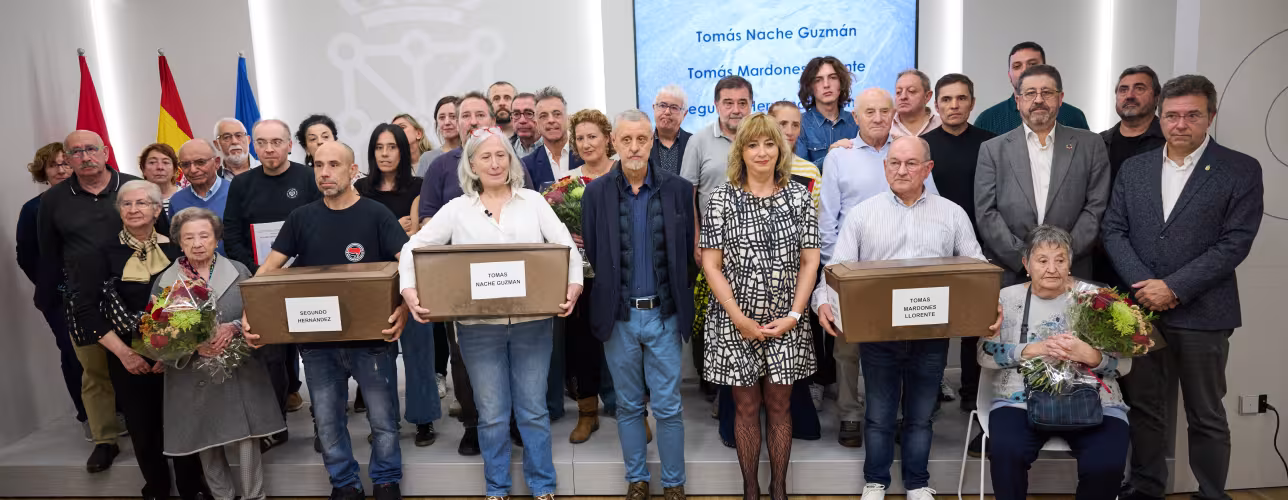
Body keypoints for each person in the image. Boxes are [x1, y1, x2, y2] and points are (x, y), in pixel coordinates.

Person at [399, 127, 582, 500]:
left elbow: (566, 248)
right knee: (493, 413)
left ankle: (542, 486)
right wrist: (409, 290)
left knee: (533, 410)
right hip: (477, 329)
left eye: (501, 155)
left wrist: (573, 285)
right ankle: (496, 488)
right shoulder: (457, 210)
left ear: (511, 161)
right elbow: (413, 248)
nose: (495, 163)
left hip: (533, 325)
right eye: (486, 157)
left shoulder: (533, 202)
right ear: (471, 164)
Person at [1104, 75, 1264, 500]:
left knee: (1205, 412)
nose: (1180, 124)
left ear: (1211, 116)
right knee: (1145, 407)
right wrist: (1145, 287)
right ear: (1160, 116)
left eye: (1192, 115)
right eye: (1172, 115)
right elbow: (1114, 230)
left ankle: (1211, 493)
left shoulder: (1240, 169)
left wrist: (1173, 287)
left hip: (1204, 311)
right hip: (1140, 310)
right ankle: (1145, 487)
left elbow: (1235, 242)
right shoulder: (1135, 168)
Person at [814, 136, 990, 500]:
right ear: (885, 167)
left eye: (911, 163)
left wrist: (991, 302)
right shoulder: (863, 214)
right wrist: (823, 302)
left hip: (931, 335)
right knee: (879, 415)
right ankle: (875, 482)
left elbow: (976, 268)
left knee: (921, 416)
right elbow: (836, 269)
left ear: (928, 168)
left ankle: (917, 484)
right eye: (894, 163)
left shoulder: (952, 213)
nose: (901, 170)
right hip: (878, 334)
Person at [247, 140, 410, 500]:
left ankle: (386, 481)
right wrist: (250, 309)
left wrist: (404, 308)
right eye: (318, 165)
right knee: (328, 421)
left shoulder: (377, 214)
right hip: (317, 343)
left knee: (383, 420)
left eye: (334, 165)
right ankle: (345, 484)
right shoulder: (301, 217)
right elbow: (269, 268)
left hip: (372, 340)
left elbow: (408, 265)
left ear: (353, 171)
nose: (324, 172)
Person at [701, 112, 819, 500]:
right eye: (753, 144)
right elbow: (711, 264)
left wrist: (795, 315)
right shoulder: (722, 198)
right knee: (746, 407)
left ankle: (778, 488)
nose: (762, 152)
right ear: (741, 151)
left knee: (781, 405)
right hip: (734, 322)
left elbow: (810, 260)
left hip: (788, 320)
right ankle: (750, 490)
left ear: (780, 150)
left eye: (770, 143)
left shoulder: (799, 196)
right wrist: (738, 318)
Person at [68, 180, 210, 500]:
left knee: (185, 422)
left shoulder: (177, 249)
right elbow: (86, 309)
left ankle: (192, 487)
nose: (134, 209)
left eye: (142, 203)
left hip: (177, 355)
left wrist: (172, 353)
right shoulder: (99, 252)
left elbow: (195, 301)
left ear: (157, 210)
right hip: (126, 354)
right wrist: (125, 354)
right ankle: (157, 488)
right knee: (143, 428)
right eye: (127, 204)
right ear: (119, 210)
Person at [581, 109, 693, 500]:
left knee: (669, 406)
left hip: (664, 315)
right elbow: (595, 252)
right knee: (628, 405)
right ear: (614, 142)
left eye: (641, 139)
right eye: (626, 139)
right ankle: (637, 479)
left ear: (652, 142)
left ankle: (674, 483)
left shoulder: (680, 190)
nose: (633, 147)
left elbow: (686, 256)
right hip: (620, 317)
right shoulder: (595, 194)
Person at [819, 88, 938, 448]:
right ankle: (850, 414)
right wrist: (836, 273)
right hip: (852, 269)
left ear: (893, 114)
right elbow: (827, 220)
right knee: (847, 348)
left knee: (899, 346)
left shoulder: (907, 152)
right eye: (868, 111)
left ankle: (895, 415)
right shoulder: (839, 156)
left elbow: (932, 203)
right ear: (855, 117)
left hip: (901, 269)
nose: (877, 117)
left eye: (884, 111)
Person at [979, 224, 1132, 500]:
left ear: (1069, 263)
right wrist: (1034, 349)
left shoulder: (1099, 299)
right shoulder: (1005, 299)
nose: (1052, 269)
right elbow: (984, 354)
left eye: (1060, 260)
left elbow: (1124, 365)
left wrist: (1091, 356)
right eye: (1042, 260)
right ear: (1026, 264)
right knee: (1007, 453)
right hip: (1020, 400)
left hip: (1094, 400)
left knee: (1106, 463)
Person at [164, 207, 285, 500]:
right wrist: (194, 344)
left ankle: (255, 496)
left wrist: (234, 327)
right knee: (206, 440)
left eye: (204, 236)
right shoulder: (167, 280)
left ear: (217, 239)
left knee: (247, 437)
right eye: (188, 237)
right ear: (179, 242)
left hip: (239, 366)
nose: (197, 243)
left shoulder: (238, 270)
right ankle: (222, 497)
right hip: (193, 373)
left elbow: (259, 311)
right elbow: (158, 333)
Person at [36, 130, 134, 472]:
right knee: (94, 373)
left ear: (105, 151)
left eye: (91, 149)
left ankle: (154, 432)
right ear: (68, 158)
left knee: (144, 366)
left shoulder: (132, 186)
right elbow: (49, 253)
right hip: (84, 299)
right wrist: (54, 297)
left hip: (133, 294)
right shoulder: (53, 200)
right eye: (76, 152)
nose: (85, 156)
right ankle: (105, 440)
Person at [223, 118, 322, 449]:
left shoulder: (308, 178)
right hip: (262, 282)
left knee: (315, 354)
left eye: (276, 142)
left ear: (290, 145)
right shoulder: (242, 184)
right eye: (262, 143)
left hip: (306, 279)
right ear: (254, 146)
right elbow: (232, 234)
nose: (269, 149)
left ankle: (324, 425)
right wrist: (258, 271)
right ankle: (275, 426)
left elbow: (321, 225)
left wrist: (301, 267)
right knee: (271, 358)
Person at [975, 64, 1110, 287]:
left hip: (1072, 270)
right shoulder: (992, 149)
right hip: (1012, 272)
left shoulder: (1091, 144)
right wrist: (1026, 259)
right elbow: (986, 213)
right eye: (1030, 93)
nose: (1038, 100)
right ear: (1018, 100)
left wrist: (1061, 258)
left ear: (1061, 98)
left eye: (1047, 92)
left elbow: (1096, 207)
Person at [354, 123, 440, 447]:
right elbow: (357, 233)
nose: (385, 154)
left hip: (415, 278)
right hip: (374, 281)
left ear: (403, 151)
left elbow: (424, 233)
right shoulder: (361, 188)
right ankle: (384, 419)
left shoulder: (420, 185)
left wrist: (409, 229)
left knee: (419, 353)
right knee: (378, 357)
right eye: (379, 147)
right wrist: (394, 229)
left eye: (392, 147)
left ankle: (424, 418)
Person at [921, 73, 998, 412]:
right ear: (936, 105)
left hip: (980, 247)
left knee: (974, 324)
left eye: (961, 98)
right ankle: (929, 395)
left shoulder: (992, 144)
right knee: (931, 324)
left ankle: (971, 396)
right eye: (947, 99)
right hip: (933, 248)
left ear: (972, 103)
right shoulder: (923, 146)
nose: (954, 105)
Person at [555, 108, 617, 443]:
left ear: (608, 138)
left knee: (624, 345)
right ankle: (587, 413)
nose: (586, 143)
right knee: (582, 345)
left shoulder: (625, 175)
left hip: (620, 275)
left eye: (592, 136)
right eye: (580, 138)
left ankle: (630, 409)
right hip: (582, 277)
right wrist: (571, 236)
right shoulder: (566, 184)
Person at [15, 143, 85, 437]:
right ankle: (86, 415)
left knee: (106, 352)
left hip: (97, 292)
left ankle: (116, 410)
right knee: (72, 351)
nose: (61, 170)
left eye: (66, 163)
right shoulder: (32, 209)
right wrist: (52, 284)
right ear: (43, 170)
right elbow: (26, 255)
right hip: (58, 297)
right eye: (54, 165)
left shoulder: (89, 200)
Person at [767, 101, 829, 433]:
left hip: (796, 270)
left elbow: (811, 225)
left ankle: (799, 408)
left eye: (795, 125)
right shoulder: (749, 166)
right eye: (782, 124)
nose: (789, 131)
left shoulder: (809, 172)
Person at [1095, 65, 1167, 291]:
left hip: (1154, 261)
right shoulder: (1098, 143)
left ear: (1157, 97)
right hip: (1101, 258)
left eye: (1139, 88)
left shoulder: (1170, 143)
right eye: (1123, 90)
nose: (1130, 95)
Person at [974, 41, 1090, 135]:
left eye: (1033, 64)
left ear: (1046, 70)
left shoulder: (1073, 116)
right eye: (1017, 66)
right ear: (1009, 75)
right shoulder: (987, 120)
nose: (1025, 70)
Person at [682, 75, 751, 214]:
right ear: (716, 105)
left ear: (751, 104)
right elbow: (686, 198)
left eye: (742, 103)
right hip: (712, 228)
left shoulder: (764, 141)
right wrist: (696, 229)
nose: (736, 110)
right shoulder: (697, 142)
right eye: (728, 103)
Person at [795, 56, 859, 169]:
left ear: (841, 83)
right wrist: (830, 157)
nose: (826, 85)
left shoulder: (857, 121)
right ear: (810, 87)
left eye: (833, 77)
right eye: (818, 80)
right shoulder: (799, 124)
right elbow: (800, 173)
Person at [523, 86, 585, 189]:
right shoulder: (527, 166)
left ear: (567, 119)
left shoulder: (585, 154)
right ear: (536, 125)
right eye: (543, 116)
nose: (551, 120)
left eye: (557, 114)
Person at [170, 140, 229, 244]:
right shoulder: (177, 200)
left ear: (216, 163)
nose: (193, 170)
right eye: (185, 164)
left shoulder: (236, 192)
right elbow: (176, 242)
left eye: (200, 162)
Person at [650, 84, 692, 175]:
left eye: (674, 107)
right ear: (654, 108)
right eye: (662, 106)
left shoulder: (694, 142)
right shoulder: (643, 143)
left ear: (684, 114)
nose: (667, 112)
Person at [416, 96, 460, 176]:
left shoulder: (473, 155)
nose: (447, 122)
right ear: (436, 123)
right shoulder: (427, 158)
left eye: (453, 116)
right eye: (442, 117)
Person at [891, 69, 941, 138]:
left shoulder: (941, 125)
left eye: (911, 91)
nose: (903, 97)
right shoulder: (887, 127)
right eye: (898, 92)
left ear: (927, 96)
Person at [140, 143, 181, 218]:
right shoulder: (135, 199)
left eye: (165, 162)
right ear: (143, 169)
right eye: (152, 162)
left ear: (175, 170)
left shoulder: (187, 197)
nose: (160, 167)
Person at [511, 92, 543, 158]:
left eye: (529, 114)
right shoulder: (506, 149)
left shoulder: (555, 147)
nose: (522, 120)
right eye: (516, 114)